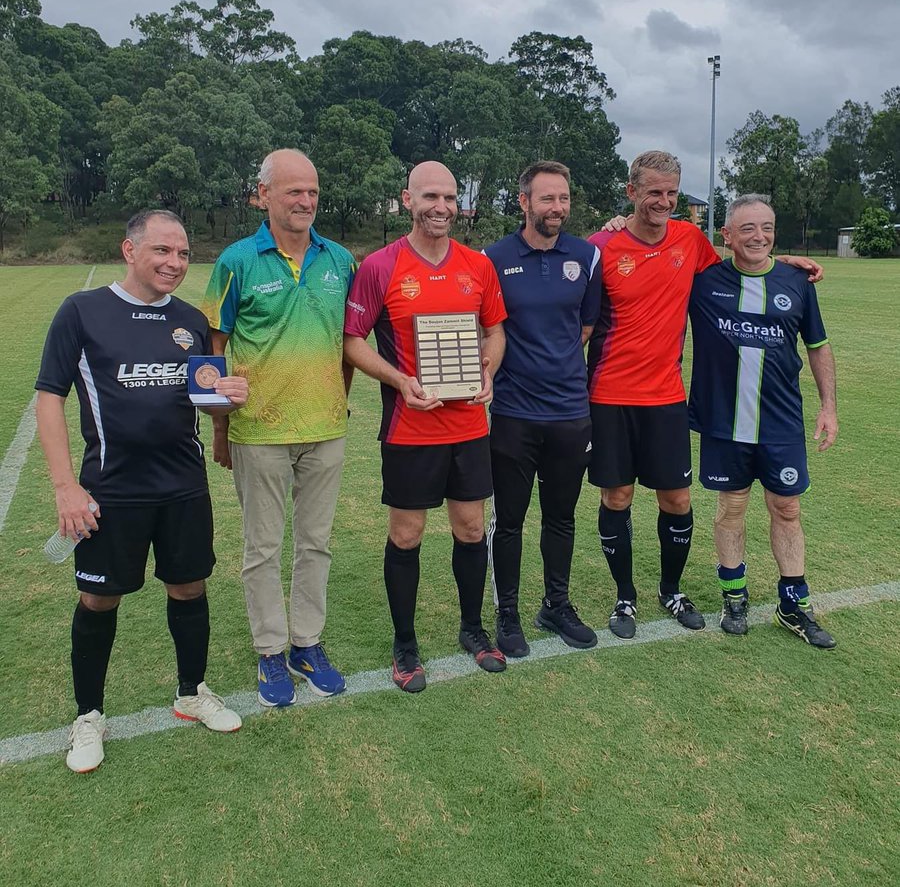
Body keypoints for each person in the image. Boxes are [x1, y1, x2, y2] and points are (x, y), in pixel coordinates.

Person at [35, 210, 248, 773]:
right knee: (99, 598)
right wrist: (65, 487)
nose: (174, 263)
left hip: (182, 486)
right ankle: (89, 717)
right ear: (129, 250)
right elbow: (49, 396)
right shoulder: (82, 312)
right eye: (161, 251)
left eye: (182, 253)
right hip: (111, 491)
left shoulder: (189, 321)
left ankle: (191, 692)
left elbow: (206, 399)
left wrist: (228, 394)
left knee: (189, 586)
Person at [587, 151, 822, 640]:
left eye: (672, 193)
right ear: (631, 192)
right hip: (609, 395)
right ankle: (624, 597)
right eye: (654, 192)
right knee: (618, 495)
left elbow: (741, 266)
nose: (665, 202)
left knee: (676, 499)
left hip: (669, 396)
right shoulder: (601, 247)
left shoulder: (690, 240)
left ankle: (670, 590)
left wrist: (788, 265)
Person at [343, 161, 507, 692]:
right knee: (407, 534)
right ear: (407, 199)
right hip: (410, 428)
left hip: (468, 426)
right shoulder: (380, 266)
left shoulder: (476, 266)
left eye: (450, 197)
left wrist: (487, 370)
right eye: (430, 196)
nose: (441, 207)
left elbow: (495, 331)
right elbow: (352, 341)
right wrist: (400, 381)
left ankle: (473, 629)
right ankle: (405, 643)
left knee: (471, 529)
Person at [203, 150, 356, 707]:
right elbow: (214, 348)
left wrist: (339, 403)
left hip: (325, 428)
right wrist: (221, 429)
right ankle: (270, 648)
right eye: (293, 191)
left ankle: (306, 644)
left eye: (312, 191)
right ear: (261, 195)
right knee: (263, 548)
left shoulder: (340, 259)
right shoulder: (236, 261)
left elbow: (349, 344)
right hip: (257, 430)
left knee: (316, 544)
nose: (305, 201)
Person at [688, 194, 838, 647]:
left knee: (787, 508)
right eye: (747, 228)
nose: (759, 236)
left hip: (780, 423)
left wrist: (829, 406)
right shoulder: (702, 281)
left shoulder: (797, 282)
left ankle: (793, 604)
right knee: (731, 508)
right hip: (722, 421)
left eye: (767, 227)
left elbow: (817, 345)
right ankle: (734, 596)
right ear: (726, 235)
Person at [484, 160, 603, 657]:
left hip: (571, 414)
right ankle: (507, 613)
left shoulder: (587, 256)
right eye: (547, 199)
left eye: (564, 199)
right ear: (524, 202)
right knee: (508, 520)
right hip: (512, 413)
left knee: (561, 517)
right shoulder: (491, 258)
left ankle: (556, 604)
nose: (558, 208)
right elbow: (487, 330)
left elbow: (584, 329)